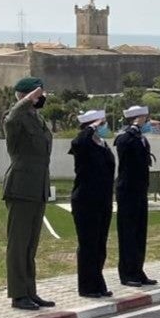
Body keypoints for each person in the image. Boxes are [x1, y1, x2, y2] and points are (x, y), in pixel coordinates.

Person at [3, 77, 54, 311]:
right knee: (18, 245)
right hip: (21, 187)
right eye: (38, 94)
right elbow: (13, 117)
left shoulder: (37, 119)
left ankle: (30, 291)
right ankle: (17, 294)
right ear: (26, 96)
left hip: (37, 188)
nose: (42, 97)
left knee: (30, 246)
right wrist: (24, 101)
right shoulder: (15, 119)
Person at [68, 109, 115, 299]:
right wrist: (91, 128)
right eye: (101, 124)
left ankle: (98, 282)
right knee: (88, 244)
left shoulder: (102, 144)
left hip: (103, 200)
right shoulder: (83, 143)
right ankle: (87, 286)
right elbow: (78, 142)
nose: (104, 126)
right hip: (86, 201)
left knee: (100, 244)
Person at [114, 106, 157, 286]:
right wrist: (133, 129)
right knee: (128, 234)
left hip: (139, 189)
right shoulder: (125, 138)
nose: (146, 121)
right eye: (143, 118)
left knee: (140, 233)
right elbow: (124, 149)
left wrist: (138, 133)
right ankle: (127, 273)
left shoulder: (141, 138)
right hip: (127, 191)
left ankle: (138, 270)